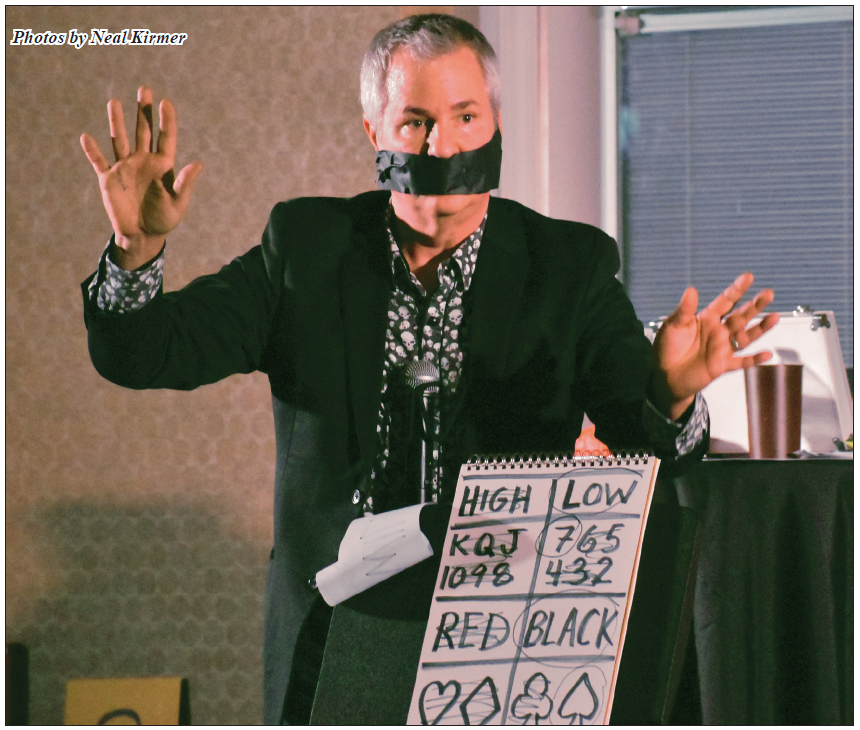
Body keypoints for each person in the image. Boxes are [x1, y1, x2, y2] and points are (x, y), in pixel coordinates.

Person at [80, 14, 778, 725]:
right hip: (336, 624)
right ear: (373, 135)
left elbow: (655, 451)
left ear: (495, 126)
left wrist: (671, 393)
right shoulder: (304, 247)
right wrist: (134, 251)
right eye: (413, 123)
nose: (441, 146)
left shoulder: (569, 266)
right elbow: (146, 353)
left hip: (499, 633)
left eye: (465, 117)